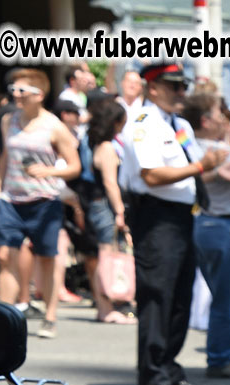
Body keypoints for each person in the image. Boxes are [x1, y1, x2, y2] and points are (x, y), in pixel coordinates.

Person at [120, 62, 227, 385]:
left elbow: (192, 170)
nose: (182, 93)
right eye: (174, 86)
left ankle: (168, 366)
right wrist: (200, 166)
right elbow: (152, 175)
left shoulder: (178, 124)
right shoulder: (143, 123)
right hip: (156, 217)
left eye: (183, 86)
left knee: (180, 296)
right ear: (153, 88)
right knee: (158, 296)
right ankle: (151, 377)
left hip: (181, 215)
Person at [0, 68, 82, 339]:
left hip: (44, 201)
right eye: (13, 90)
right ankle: (5, 319)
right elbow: (5, 156)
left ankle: (50, 316)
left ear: (39, 95)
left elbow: (75, 166)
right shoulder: (9, 121)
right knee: (5, 256)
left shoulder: (54, 126)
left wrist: (49, 172)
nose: (16, 95)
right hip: (11, 199)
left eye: (21, 91)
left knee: (46, 259)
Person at [184, 90, 230, 380]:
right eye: (219, 114)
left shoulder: (191, 148)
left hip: (205, 223)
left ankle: (219, 355)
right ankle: (220, 358)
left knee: (220, 295)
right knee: (226, 298)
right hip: (224, 225)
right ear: (205, 120)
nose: (224, 119)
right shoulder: (220, 150)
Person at [83, 96, 135, 323]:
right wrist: (119, 211)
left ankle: (105, 306)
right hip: (104, 205)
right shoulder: (106, 148)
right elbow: (110, 183)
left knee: (104, 255)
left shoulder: (97, 144)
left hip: (98, 205)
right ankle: (105, 308)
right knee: (106, 255)